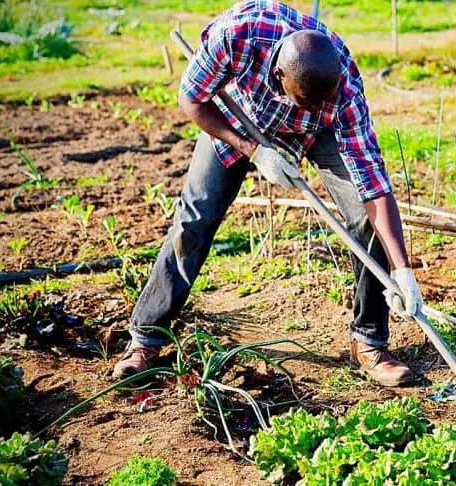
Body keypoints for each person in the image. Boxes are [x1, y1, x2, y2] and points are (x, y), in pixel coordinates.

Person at [113, 0, 423, 387]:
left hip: (319, 132)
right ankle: (146, 338)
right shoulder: (237, 35)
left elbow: (373, 186)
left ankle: (369, 342)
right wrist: (253, 150)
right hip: (239, 119)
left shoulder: (341, 90)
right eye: (307, 100)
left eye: (323, 99)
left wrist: (401, 270)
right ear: (279, 75)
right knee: (195, 218)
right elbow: (192, 99)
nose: (317, 105)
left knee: (364, 218)